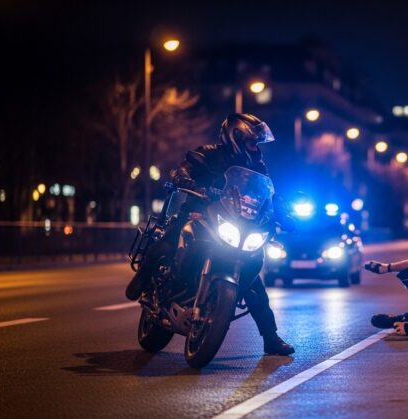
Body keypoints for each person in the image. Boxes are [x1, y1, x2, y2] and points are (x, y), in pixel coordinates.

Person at [125, 113, 294, 356]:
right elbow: (185, 167)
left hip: (236, 223)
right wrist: (185, 178)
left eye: (257, 143)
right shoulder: (210, 154)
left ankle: (270, 338)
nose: (256, 147)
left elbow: (269, 194)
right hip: (197, 213)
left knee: (254, 284)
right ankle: (141, 281)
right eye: (252, 142)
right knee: (168, 241)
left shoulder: (257, 166)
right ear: (236, 137)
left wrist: (284, 214)